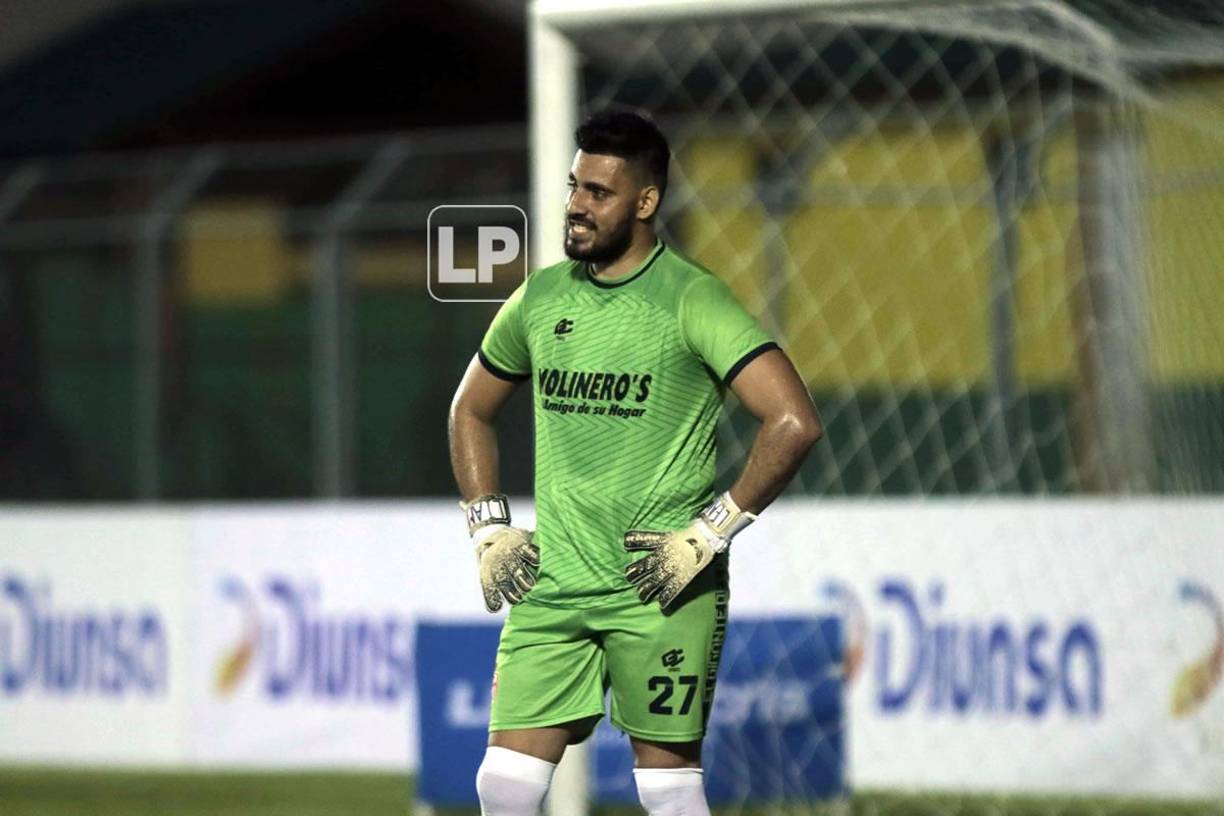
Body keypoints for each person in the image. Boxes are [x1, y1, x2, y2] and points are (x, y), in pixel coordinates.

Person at [448, 108, 823, 816]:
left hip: (660, 587)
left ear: (646, 202)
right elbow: (469, 409)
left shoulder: (691, 298)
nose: (576, 206)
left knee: (668, 795)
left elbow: (794, 421)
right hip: (554, 583)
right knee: (504, 784)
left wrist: (710, 533)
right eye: (574, 186)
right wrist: (488, 527)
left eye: (599, 192)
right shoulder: (541, 297)